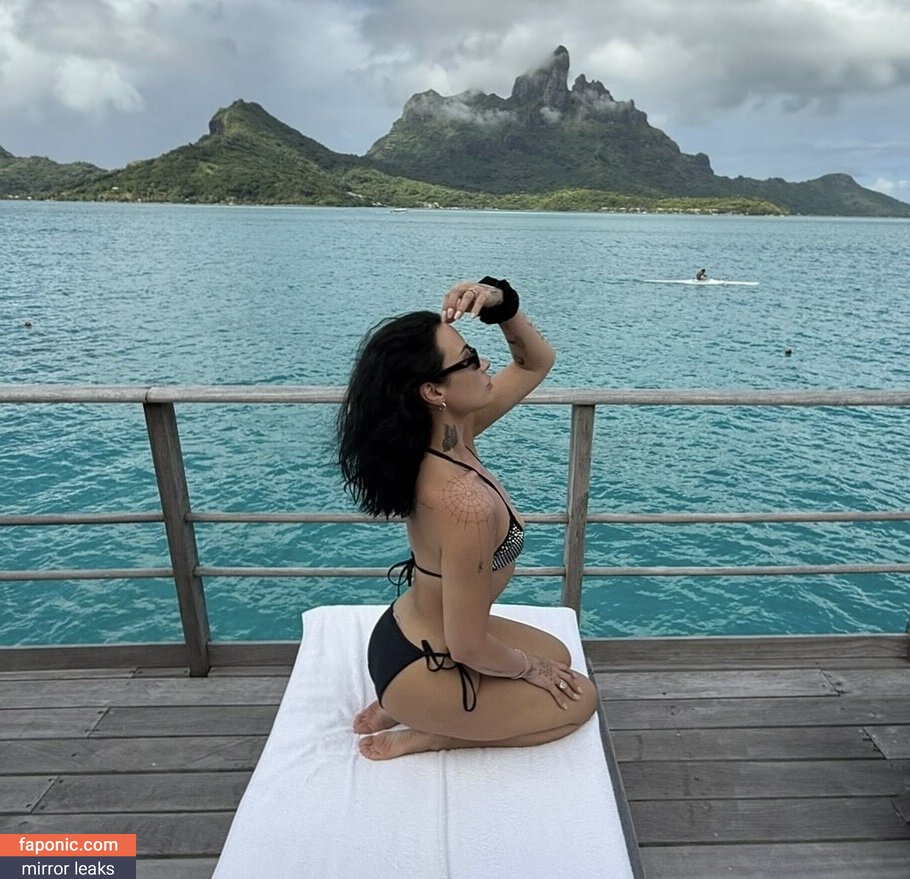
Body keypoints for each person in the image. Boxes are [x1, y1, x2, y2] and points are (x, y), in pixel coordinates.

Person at [337, 277, 598, 761]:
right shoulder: (463, 504)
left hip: (407, 631)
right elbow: (468, 647)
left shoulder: (452, 434)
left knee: (560, 656)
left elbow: (535, 362)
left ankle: (408, 704)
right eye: (469, 359)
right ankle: (430, 729)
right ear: (434, 390)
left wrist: (501, 304)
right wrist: (529, 669)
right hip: (429, 659)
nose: (485, 364)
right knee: (580, 698)